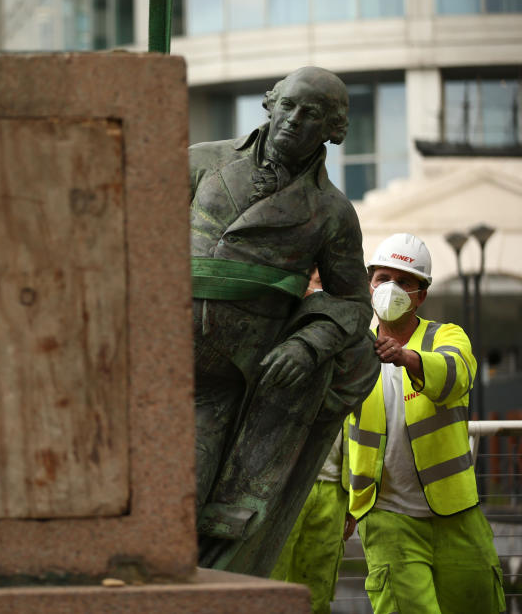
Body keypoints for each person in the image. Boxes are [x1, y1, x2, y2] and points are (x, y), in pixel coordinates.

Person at [189, 66, 380, 573]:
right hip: (152, 350)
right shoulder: (201, 162)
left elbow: (354, 302)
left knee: (182, 499)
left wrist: (307, 345)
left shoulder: (333, 211)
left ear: (332, 130)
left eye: (311, 113)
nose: (294, 119)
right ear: (271, 104)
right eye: (289, 105)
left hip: (221, 379)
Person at [346, 232, 505, 613]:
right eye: (383, 279)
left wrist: (407, 358)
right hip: (386, 517)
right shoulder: (352, 352)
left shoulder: (446, 337)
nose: (391, 289)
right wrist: (344, 507)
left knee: (477, 604)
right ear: (369, 285)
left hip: (454, 513)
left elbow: (456, 375)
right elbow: (336, 432)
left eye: (404, 282)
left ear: (422, 295)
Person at [269, 270, 353, 613]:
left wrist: (351, 495)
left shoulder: (349, 342)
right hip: (281, 488)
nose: (319, 288)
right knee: (272, 592)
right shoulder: (276, 333)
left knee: (317, 596)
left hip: (333, 488)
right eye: (314, 278)